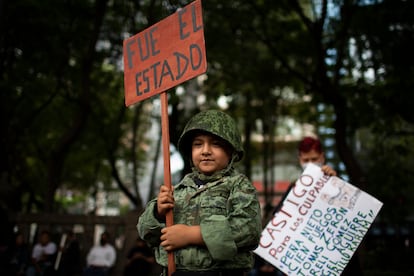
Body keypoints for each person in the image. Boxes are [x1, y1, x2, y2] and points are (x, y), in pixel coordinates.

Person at [138, 109, 262, 276]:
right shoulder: (177, 190)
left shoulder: (239, 186)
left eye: (216, 144)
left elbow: (248, 230)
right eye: (198, 144)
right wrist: (158, 212)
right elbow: (147, 234)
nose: (205, 151)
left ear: (231, 150)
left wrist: (192, 235)